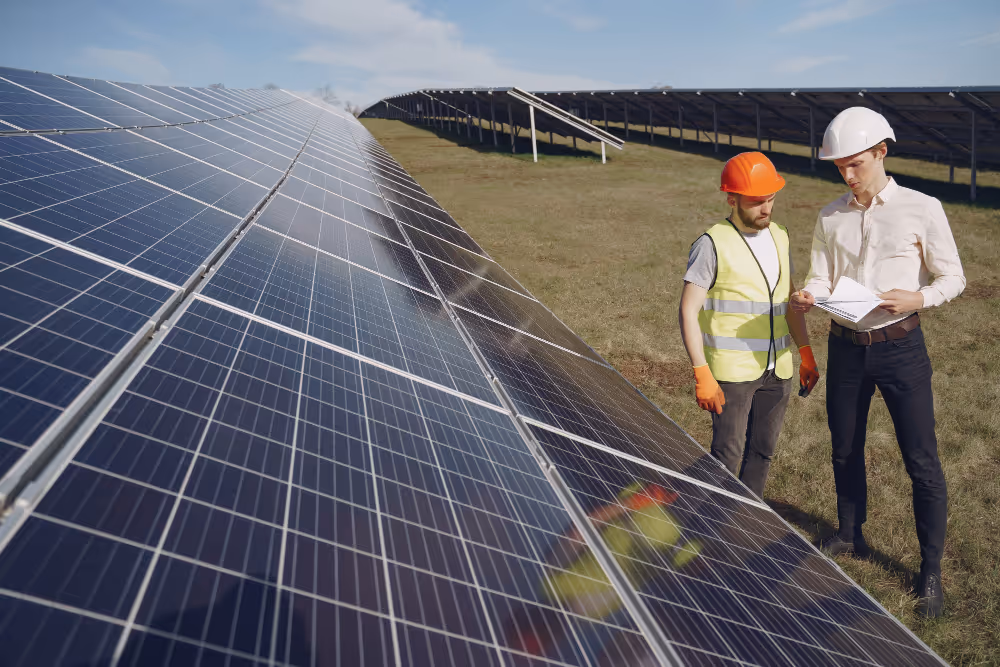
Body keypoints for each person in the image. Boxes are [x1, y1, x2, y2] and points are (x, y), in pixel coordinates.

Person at [790, 107, 965, 618]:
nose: (848, 175)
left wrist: (919, 300)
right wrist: (808, 293)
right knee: (844, 448)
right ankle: (850, 534)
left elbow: (952, 277)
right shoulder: (829, 215)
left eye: (857, 164)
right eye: (840, 166)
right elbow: (822, 276)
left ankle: (929, 569)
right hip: (845, 347)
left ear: (882, 152)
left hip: (902, 349)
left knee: (922, 462)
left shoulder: (923, 208)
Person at [679, 152, 819, 499]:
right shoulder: (711, 244)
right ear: (732, 198)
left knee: (763, 453)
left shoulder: (781, 237)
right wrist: (702, 373)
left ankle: (742, 520)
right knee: (726, 456)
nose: (766, 209)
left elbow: (788, 300)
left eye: (770, 199)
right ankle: (708, 528)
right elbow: (687, 310)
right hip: (733, 374)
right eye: (757, 202)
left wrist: (805, 352)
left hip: (778, 371)